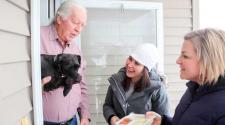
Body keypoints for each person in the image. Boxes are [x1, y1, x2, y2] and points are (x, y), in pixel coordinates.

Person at [147, 28, 225, 125]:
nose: (178, 61)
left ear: (207, 60)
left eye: (185, 56)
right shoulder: (194, 88)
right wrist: (163, 122)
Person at [40, 0, 90, 125]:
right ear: (59, 19)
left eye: (82, 25)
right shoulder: (37, 38)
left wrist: (85, 116)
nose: (79, 29)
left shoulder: (76, 50)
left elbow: (81, 85)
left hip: (73, 121)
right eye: (75, 22)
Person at [103, 43, 170, 125]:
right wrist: (112, 118)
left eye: (137, 63)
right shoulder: (117, 81)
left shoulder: (158, 89)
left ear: (145, 69)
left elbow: (163, 120)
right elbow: (107, 105)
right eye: (130, 58)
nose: (130, 65)